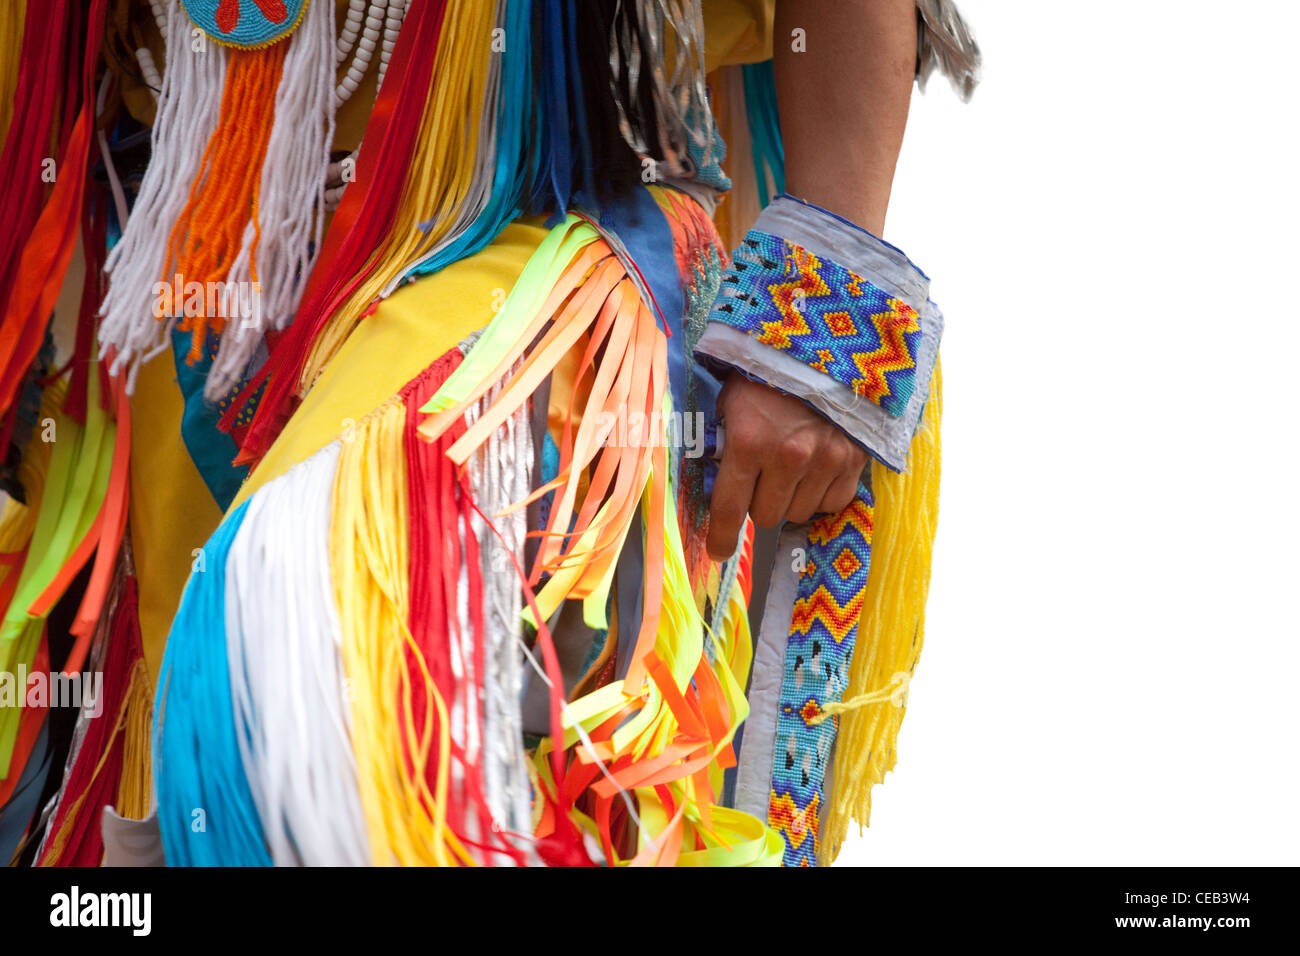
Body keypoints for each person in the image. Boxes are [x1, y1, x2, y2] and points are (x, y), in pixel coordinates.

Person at [0, 0, 978, 866]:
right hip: (183, 290)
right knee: (213, 772)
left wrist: (817, 338)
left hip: (539, 243)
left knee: (331, 633)